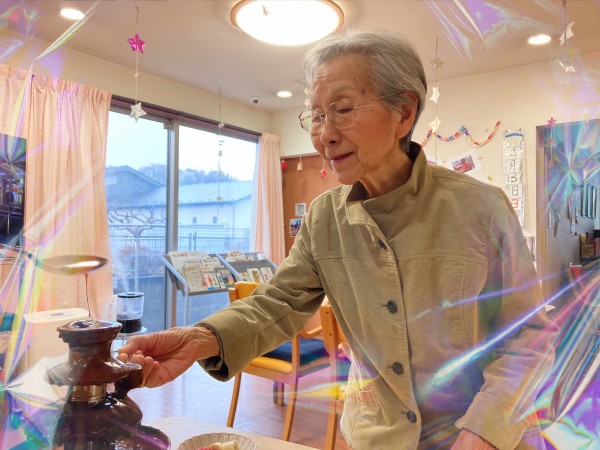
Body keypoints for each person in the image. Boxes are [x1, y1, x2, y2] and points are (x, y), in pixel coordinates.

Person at [118, 29, 558, 450]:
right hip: (379, 437)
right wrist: (200, 337)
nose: (324, 134)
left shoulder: (481, 208)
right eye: (316, 115)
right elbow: (277, 303)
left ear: (404, 113)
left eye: (343, 109)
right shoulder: (324, 217)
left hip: (481, 434)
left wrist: (481, 435)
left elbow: (529, 338)